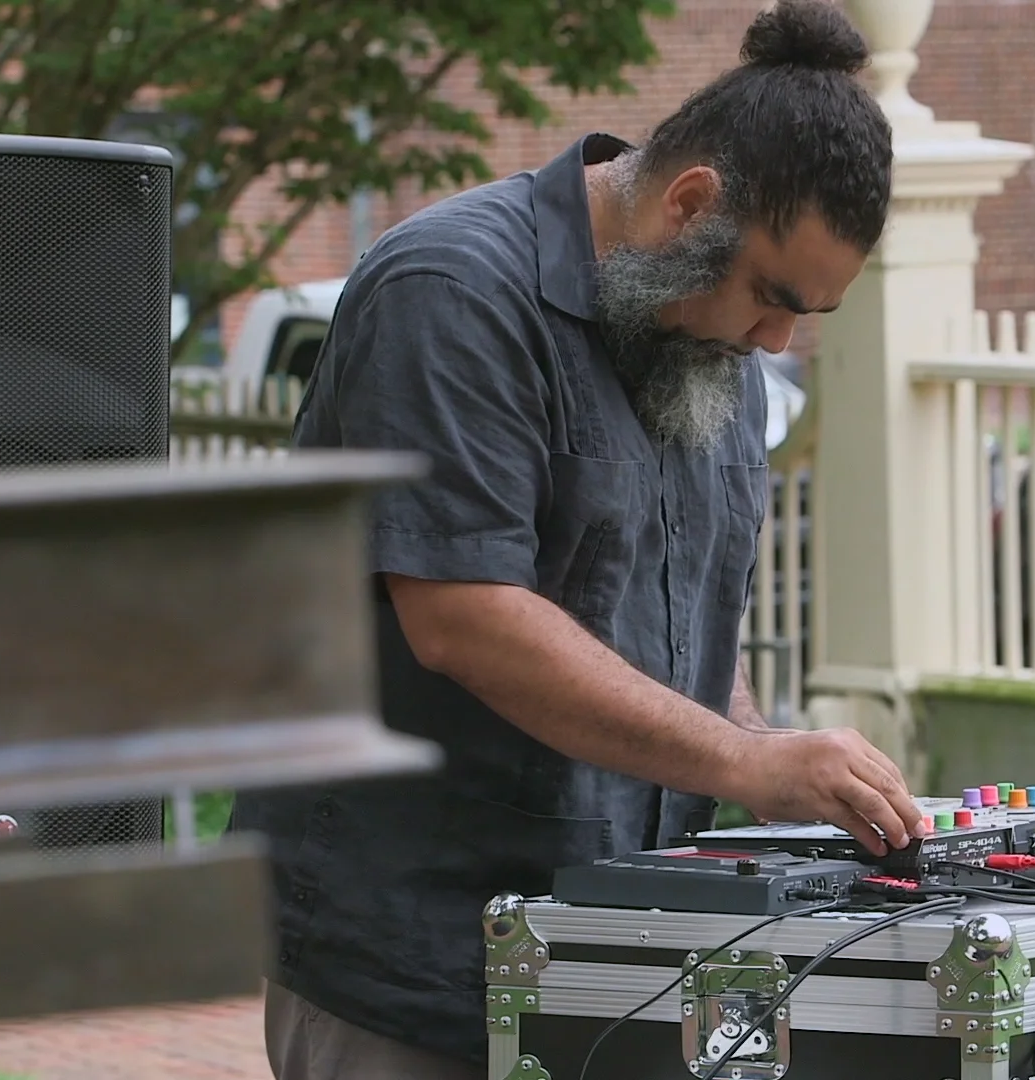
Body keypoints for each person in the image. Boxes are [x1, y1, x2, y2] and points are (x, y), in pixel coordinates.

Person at [228, 4, 923, 1077]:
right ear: (692, 203)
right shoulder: (451, 291)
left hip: (619, 967)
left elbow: (681, 617)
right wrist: (746, 757)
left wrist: (776, 776)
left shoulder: (708, 348)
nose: (779, 343)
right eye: (774, 299)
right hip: (412, 963)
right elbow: (467, 617)